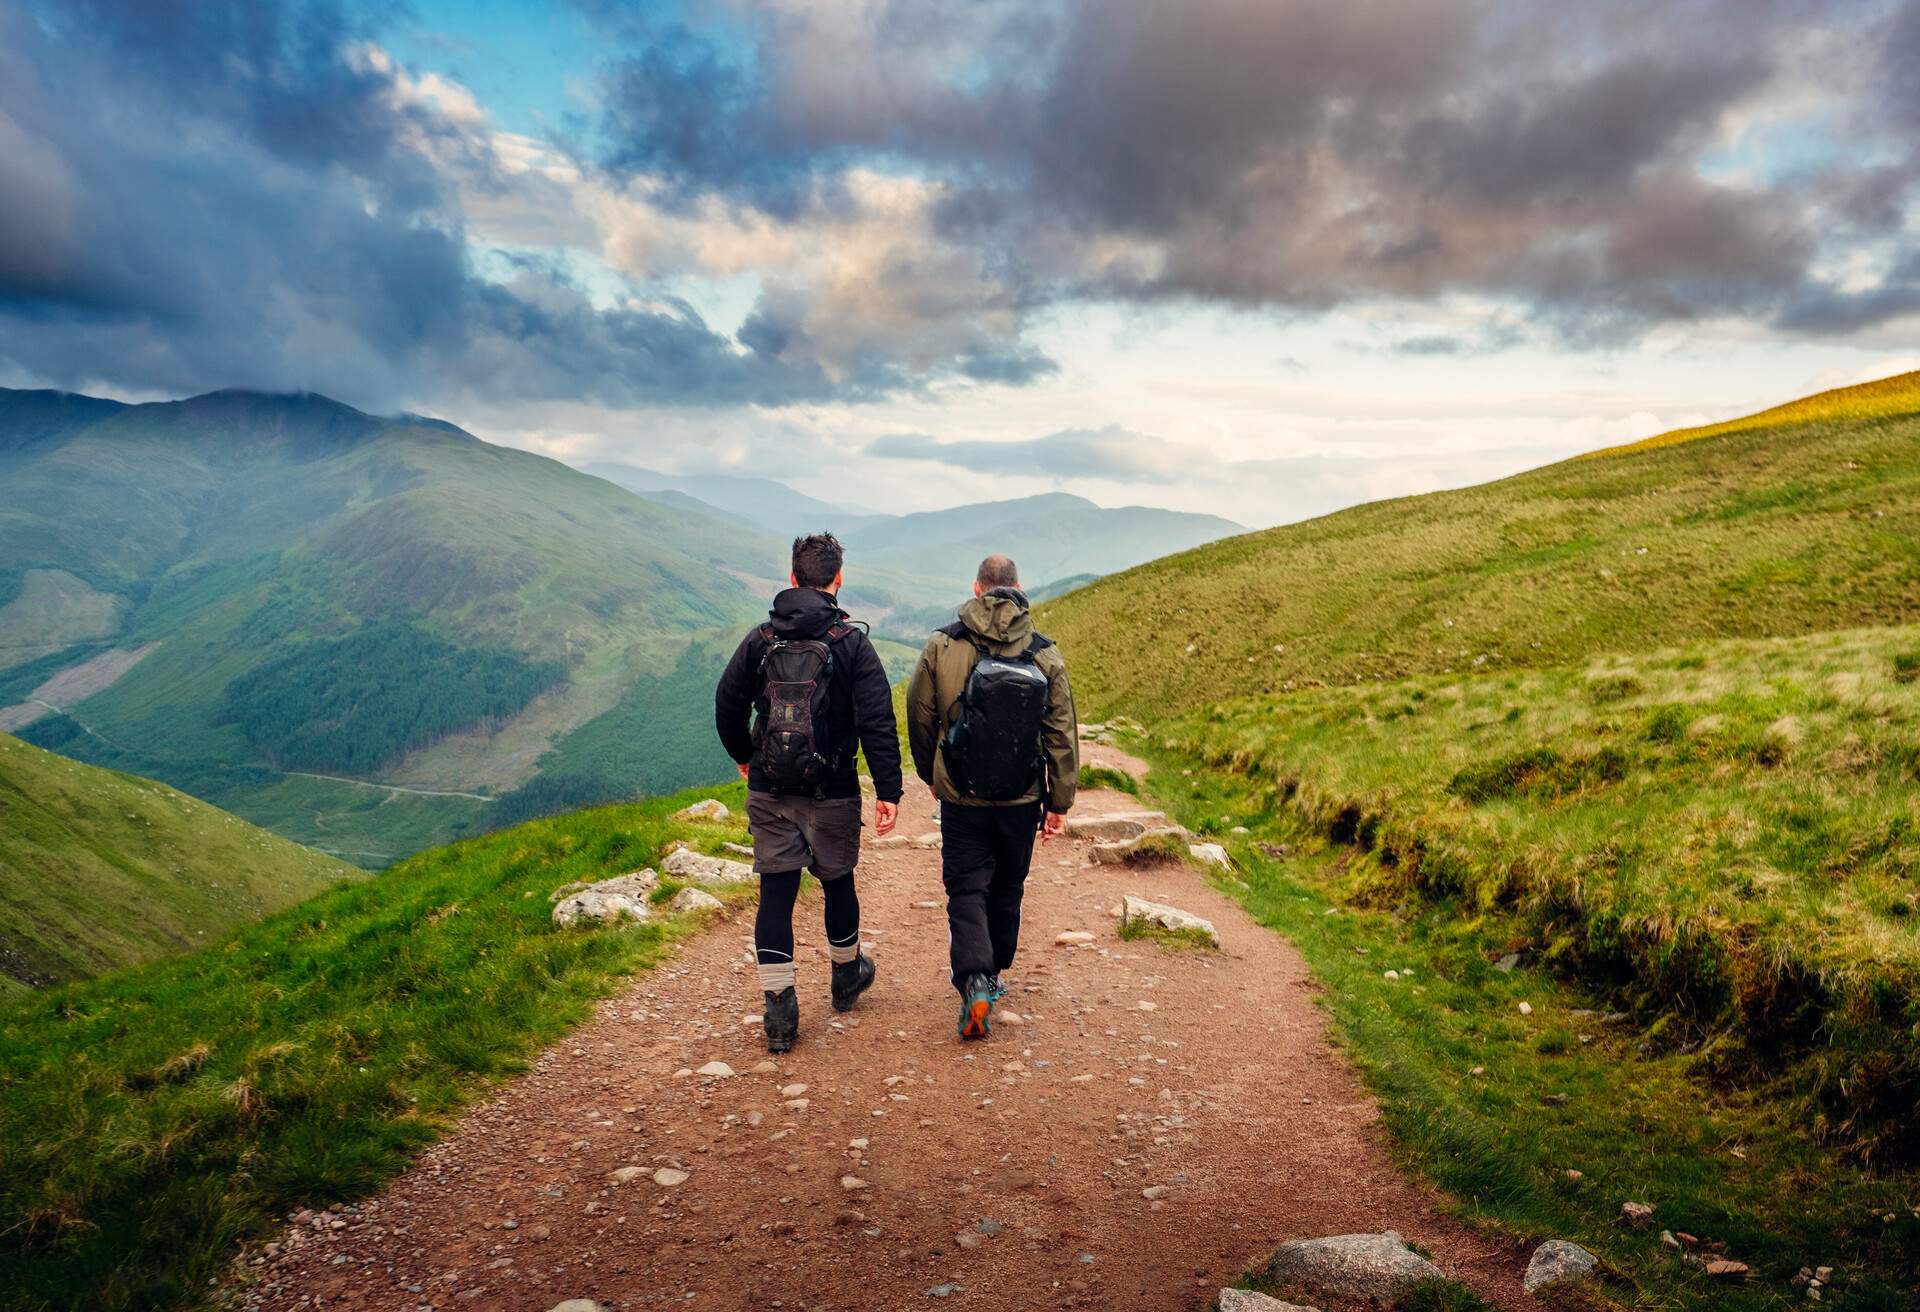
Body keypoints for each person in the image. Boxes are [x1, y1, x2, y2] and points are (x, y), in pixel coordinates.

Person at [715, 533, 902, 1053]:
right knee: (837, 881)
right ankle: (846, 977)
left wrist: (744, 755)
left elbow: (727, 703)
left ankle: (779, 1012)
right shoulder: (852, 643)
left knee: (776, 890)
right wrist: (889, 789)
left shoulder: (760, 638)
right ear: (838, 579)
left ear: (793, 577)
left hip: (769, 787)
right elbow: (877, 721)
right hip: (834, 787)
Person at [905, 554, 1078, 1040]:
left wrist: (933, 773)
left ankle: (974, 978)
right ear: (1019, 588)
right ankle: (995, 972)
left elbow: (920, 715)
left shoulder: (943, 643)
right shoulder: (1045, 653)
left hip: (961, 796)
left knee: (966, 888)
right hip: (1022, 798)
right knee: (1007, 887)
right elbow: (1061, 732)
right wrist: (1059, 801)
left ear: (976, 589)